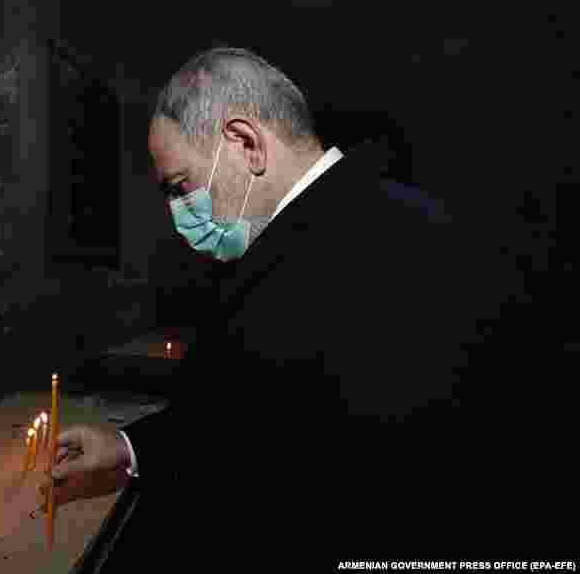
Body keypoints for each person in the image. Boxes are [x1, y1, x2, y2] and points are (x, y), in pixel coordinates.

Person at [42, 48, 558, 567]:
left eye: (181, 186)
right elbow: (251, 415)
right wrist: (130, 447)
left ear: (245, 144)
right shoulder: (329, 229)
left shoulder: (388, 252)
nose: (178, 215)